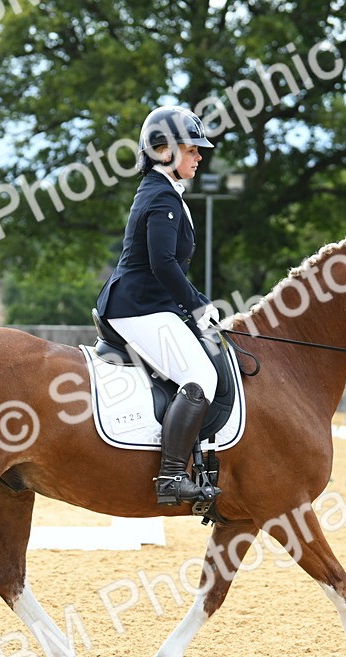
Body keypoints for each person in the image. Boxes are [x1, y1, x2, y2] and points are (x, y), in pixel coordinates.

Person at [95, 105, 221, 507]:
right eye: (192, 149)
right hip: (137, 307)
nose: (200, 156)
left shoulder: (165, 192)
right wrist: (198, 306)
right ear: (163, 150)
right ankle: (169, 478)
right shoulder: (161, 196)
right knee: (200, 376)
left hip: (151, 305)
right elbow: (162, 263)